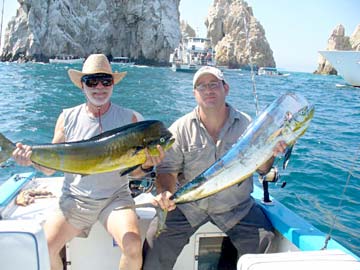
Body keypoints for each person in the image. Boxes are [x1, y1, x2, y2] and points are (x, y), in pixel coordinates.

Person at [12, 54, 164, 270]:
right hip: (76, 199)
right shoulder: (67, 117)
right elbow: (48, 169)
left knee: (132, 247)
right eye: (92, 81)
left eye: (105, 80)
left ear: (113, 84)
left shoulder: (130, 119)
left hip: (115, 199)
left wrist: (148, 165)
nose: (99, 87)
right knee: (43, 247)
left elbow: (137, 174)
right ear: (82, 86)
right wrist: (29, 159)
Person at [143, 66, 287, 269]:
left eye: (214, 84)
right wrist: (166, 193)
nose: (208, 90)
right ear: (194, 94)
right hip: (188, 207)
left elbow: (263, 169)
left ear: (225, 88)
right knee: (153, 244)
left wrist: (269, 152)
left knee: (267, 241)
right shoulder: (180, 128)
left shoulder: (247, 125)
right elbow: (167, 170)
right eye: (201, 86)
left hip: (236, 207)